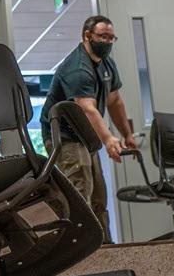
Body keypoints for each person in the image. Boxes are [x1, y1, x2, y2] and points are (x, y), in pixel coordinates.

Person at [38, 14, 137, 243]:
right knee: (79, 191)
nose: (108, 42)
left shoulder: (106, 64)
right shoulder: (77, 68)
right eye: (103, 37)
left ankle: (103, 247)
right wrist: (109, 139)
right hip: (64, 135)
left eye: (112, 38)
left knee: (98, 196)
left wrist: (127, 134)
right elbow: (87, 108)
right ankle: (76, 249)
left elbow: (115, 101)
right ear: (87, 36)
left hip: (85, 135)